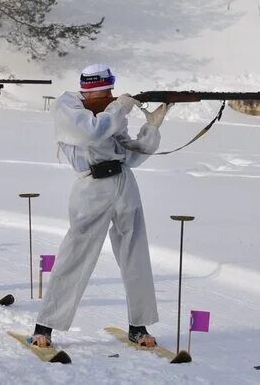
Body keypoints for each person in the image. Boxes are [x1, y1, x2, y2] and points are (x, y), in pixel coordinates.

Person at [30, 64, 171, 348]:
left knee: (135, 254)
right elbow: (91, 133)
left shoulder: (110, 113)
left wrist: (151, 129)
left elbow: (129, 154)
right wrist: (119, 108)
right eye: (107, 90)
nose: (111, 95)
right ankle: (44, 327)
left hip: (123, 182)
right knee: (75, 255)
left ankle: (138, 326)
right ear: (93, 89)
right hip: (91, 186)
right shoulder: (68, 107)